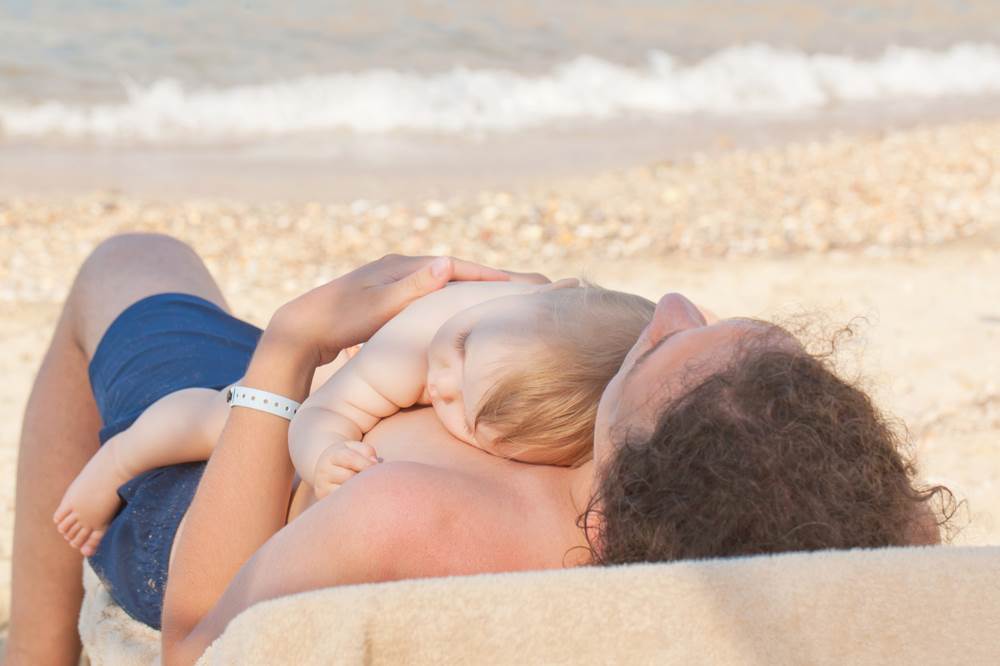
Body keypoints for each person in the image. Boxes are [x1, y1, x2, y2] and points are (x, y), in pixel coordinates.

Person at [5, 234, 949, 666]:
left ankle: (36, 651)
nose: (670, 305)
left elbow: (197, 645)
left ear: (616, 500)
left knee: (129, 262)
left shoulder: (412, 516)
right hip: (333, 434)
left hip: (212, 511)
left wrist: (292, 342)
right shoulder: (780, 536)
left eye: (660, 350)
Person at [52, 279, 654, 553]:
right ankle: (118, 460)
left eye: (461, 411)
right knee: (218, 416)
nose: (439, 382)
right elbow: (322, 411)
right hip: (315, 387)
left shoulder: (523, 356)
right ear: (546, 291)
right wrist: (324, 455)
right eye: (464, 346)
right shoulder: (426, 339)